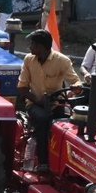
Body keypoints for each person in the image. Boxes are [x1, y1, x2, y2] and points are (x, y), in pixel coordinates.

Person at [17, 29, 81, 171]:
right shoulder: (29, 60)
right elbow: (22, 88)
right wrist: (39, 101)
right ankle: (44, 162)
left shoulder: (62, 61)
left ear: (42, 47)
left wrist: (76, 87)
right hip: (34, 104)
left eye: (32, 44)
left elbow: (75, 81)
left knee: (70, 123)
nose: (30, 47)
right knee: (43, 118)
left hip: (56, 103)